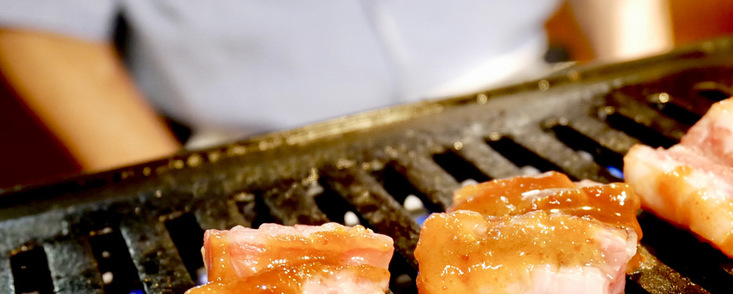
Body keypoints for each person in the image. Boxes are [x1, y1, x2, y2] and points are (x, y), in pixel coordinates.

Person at [0, 1, 562, 176]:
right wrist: (182, 196)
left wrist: (634, 63)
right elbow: (43, 26)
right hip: (247, 155)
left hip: (528, 90)